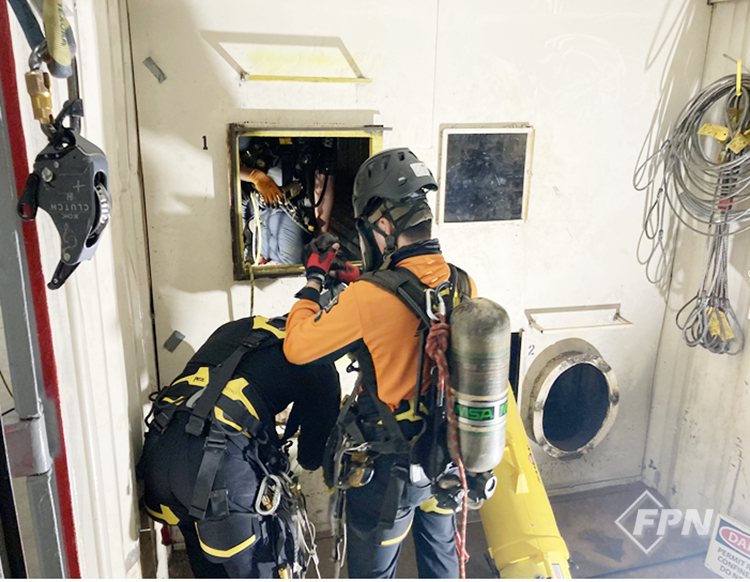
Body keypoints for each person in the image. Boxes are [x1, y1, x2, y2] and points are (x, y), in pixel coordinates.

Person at [283, 148, 478, 579]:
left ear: (385, 225)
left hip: (390, 473)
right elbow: (411, 304)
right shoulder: (461, 282)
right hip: (445, 458)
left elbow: (297, 347)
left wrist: (314, 282)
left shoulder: (368, 299)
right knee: (442, 560)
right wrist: (358, 283)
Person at [137, 315, 341, 578]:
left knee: (206, 556)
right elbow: (311, 458)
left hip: (162, 446)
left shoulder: (240, 327)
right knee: (261, 566)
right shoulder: (319, 359)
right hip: (220, 468)